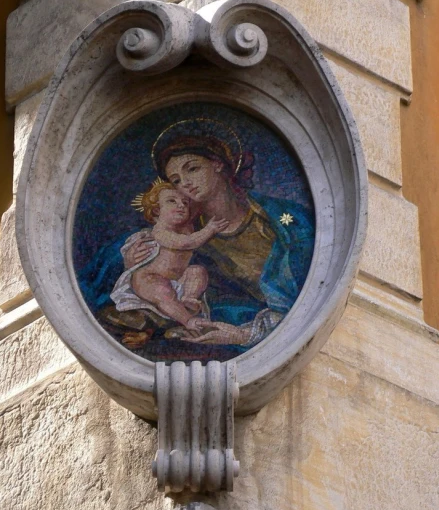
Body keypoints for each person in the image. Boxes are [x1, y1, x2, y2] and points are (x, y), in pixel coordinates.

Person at [119, 121, 315, 349]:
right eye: (176, 181)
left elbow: (307, 300)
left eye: (192, 169)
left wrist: (243, 335)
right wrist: (131, 263)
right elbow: (159, 286)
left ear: (217, 164)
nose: (186, 184)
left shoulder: (283, 220)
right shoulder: (183, 234)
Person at [110, 180, 229, 331]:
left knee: (197, 271)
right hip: (149, 279)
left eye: (185, 203)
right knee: (163, 291)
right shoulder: (161, 231)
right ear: (157, 210)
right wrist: (209, 229)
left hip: (177, 281)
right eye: (171, 201)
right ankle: (188, 320)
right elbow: (186, 243)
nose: (181, 205)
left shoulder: (187, 227)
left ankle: (189, 299)